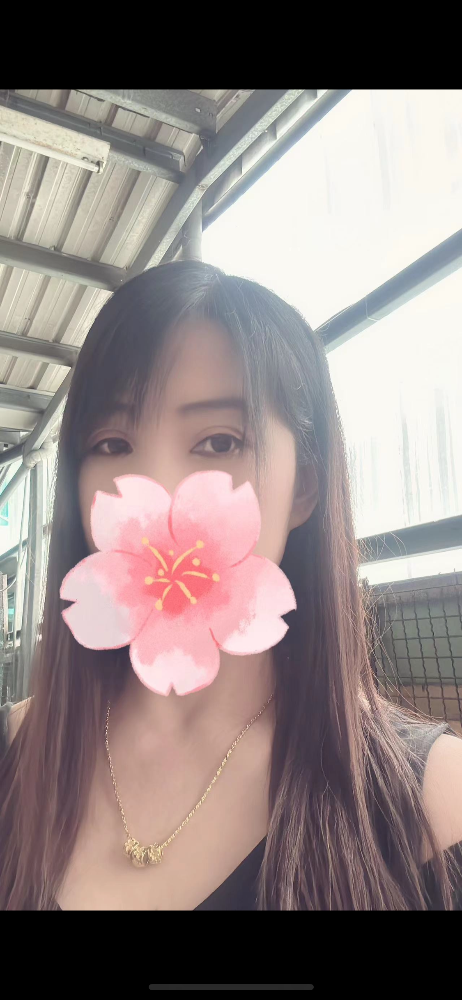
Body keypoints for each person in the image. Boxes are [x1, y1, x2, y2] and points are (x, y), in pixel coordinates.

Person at [0, 260, 461, 911]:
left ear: (304, 486)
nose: (157, 492)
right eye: (110, 444)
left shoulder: (433, 802)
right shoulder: (12, 753)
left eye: (219, 442)